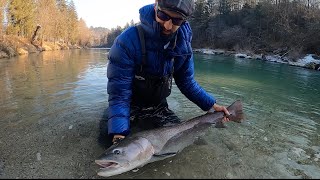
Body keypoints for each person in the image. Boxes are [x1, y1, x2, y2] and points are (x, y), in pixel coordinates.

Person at [99, 0, 230, 147]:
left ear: (184, 20)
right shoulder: (127, 42)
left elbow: (187, 83)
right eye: (163, 15)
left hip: (158, 107)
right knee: (107, 142)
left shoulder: (183, 45)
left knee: (178, 143)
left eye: (177, 20)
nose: (168, 25)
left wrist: (211, 106)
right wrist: (119, 134)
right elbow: (119, 95)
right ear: (156, 6)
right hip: (129, 105)